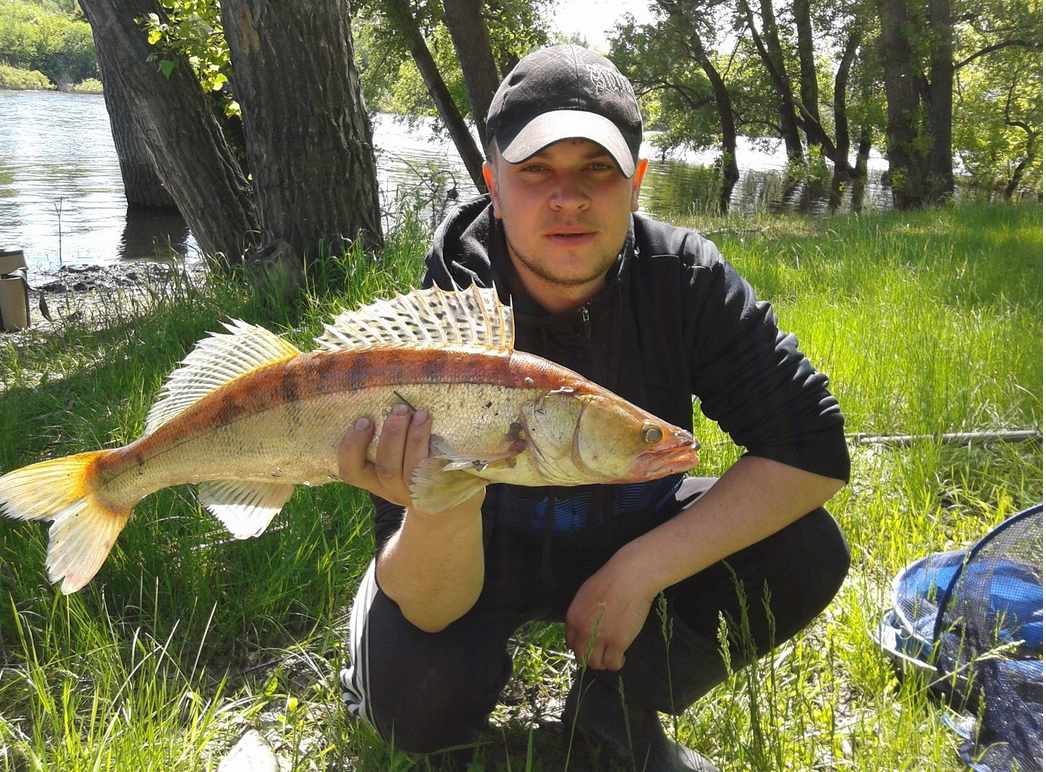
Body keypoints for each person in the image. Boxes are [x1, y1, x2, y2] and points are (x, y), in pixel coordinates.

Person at [337, 44, 850, 772]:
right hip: (473, 559)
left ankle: (611, 711)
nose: (567, 198)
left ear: (636, 184)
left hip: (626, 531)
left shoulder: (687, 280)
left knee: (807, 548)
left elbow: (814, 449)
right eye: (535, 170)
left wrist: (643, 569)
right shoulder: (445, 317)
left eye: (596, 171)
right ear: (493, 183)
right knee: (412, 708)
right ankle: (387, 651)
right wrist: (441, 505)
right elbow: (432, 604)